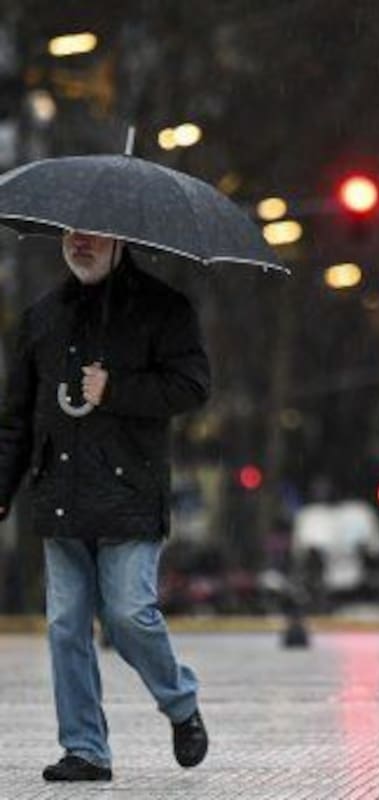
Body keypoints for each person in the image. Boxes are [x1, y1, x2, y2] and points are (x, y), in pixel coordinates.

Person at [0, 231, 211, 781]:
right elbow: (17, 419)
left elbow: (192, 386)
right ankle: (85, 749)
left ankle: (181, 704)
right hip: (61, 496)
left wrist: (116, 388)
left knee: (128, 616)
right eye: (70, 234)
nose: (79, 244)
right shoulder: (42, 317)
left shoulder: (164, 309)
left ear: (121, 238)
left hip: (129, 492)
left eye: (92, 234)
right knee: (65, 626)